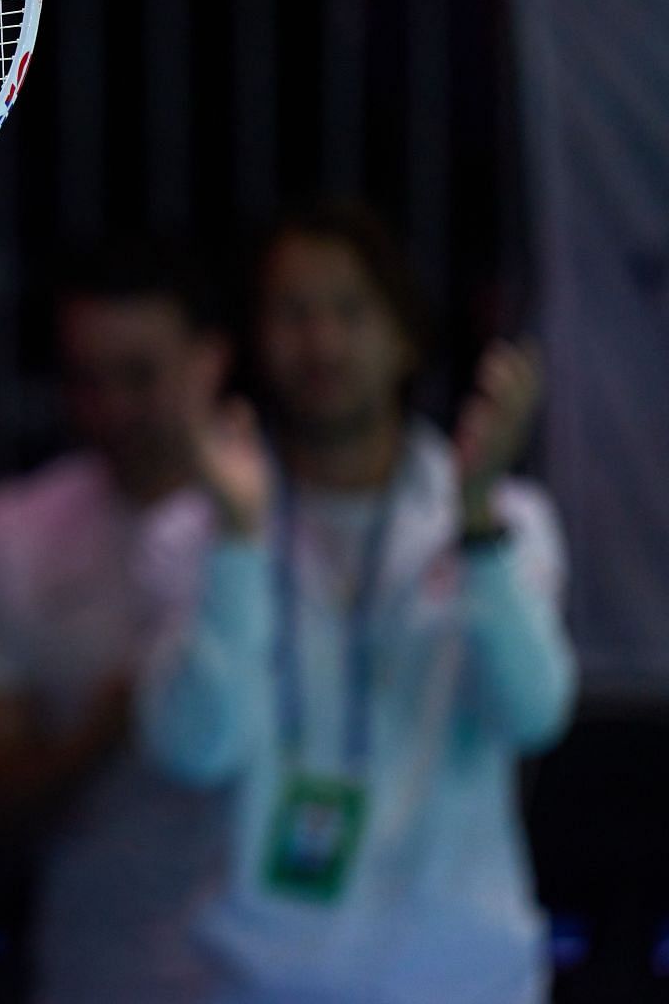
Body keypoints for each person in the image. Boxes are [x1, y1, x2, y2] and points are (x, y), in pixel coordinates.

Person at [140, 202, 575, 1004]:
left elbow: (532, 713)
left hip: (466, 980)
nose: (322, 341)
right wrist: (239, 545)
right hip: (255, 981)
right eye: (293, 312)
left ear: (404, 334)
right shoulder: (194, 530)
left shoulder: (505, 522)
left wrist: (475, 521)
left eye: (350, 309)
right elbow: (197, 749)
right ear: (257, 339)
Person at [0, 244, 229, 1003]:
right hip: (102, 962)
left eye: (141, 376)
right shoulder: (16, 534)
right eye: (87, 380)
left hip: (287, 962)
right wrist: (114, 720)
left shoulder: (280, 523)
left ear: (211, 361)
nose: (114, 409)